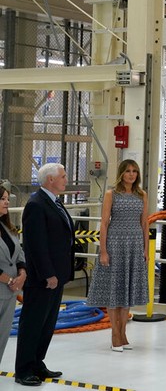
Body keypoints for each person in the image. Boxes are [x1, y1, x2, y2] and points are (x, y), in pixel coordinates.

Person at [15, 163, 75, 387]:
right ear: (50, 180)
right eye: (63, 176)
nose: (66, 180)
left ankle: (37, 362)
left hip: (57, 275)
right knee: (33, 323)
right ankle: (24, 369)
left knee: (47, 323)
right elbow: (36, 245)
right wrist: (48, 273)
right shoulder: (36, 205)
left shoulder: (54, 202)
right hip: (43, 278)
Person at [87, 159, 149, 352]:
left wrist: (146, 249)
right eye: (128, 171)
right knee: (115, 290)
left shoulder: (141, 195)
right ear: (121, 173)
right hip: (115, 244)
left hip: (134, 245)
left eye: (135, 171)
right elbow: (104, 223)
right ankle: (115, 334)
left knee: (127, 291)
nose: (131, 174)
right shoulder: (111, 194)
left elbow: (145, 224)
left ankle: (123, 334)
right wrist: (103, 251)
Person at [0, 185, 26, 365]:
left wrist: (22, 273)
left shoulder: (8, 226)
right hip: (6, 284)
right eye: (2, 199)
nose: (7, 202)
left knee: (2, 335)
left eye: (7, 198)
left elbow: (19, 253)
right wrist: (9, 280)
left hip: (9, 293)